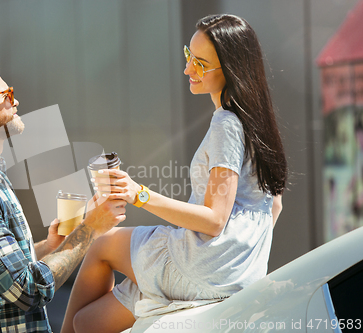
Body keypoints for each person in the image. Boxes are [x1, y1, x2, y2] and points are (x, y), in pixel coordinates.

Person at [61, 14, 287, 333]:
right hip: (236, 272)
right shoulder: (258, 123)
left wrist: (139, 194)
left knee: (102, 243)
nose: (187, 69)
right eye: (188, 56)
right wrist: (241, 263)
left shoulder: (226, 124)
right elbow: (274, 206)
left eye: (200, 63)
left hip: (205, 266)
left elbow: (214, 220)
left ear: (231, 68)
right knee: (87, 323)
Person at [0, 58, 127, 333]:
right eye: (7, 95)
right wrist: (90, 229)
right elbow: (25, 290)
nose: (15, 102)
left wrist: (52, 245)